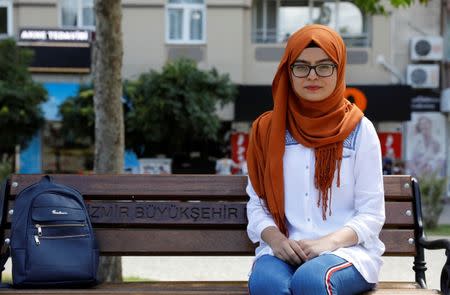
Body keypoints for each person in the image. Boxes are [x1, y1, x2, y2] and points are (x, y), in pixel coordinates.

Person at [246, 24, 385, 295]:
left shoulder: (359, 129)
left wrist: (326, 243)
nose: (313, 75)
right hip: (283, 252)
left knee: (311, 281)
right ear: (288, 71)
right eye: (301, 66)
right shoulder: (266, 130)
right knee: (265, 284)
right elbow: (257, 205)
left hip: (346, 253)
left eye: (324, 66)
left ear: (339, 68)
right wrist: (274, 239)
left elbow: (371, 213)